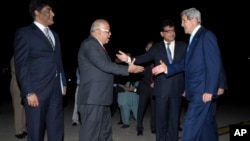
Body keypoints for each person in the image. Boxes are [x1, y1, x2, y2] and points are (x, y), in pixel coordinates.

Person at [152, 8, 223, 141]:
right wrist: (167, 68)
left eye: (184, 21)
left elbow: (214, 65)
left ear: (194, 20)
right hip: (195, 91)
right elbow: (185, 64)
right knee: (206, 127)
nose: (181, 24)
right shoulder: (193, 39)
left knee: (189, 129)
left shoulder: (206, 36)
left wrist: (210, 90)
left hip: (201, 93)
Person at [117, 19, 187, 141]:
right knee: (161, 120)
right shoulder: (157, 48)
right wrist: (128, 59)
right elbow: (143, 58)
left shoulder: (184, 46)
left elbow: (188, 67)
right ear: (162, 33)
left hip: (177, 88)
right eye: (168, 31)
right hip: (161, 90)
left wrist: (187, 87)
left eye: (173, 30)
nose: (171, 33)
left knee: (174, 120)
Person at [77, 19, 144, 141]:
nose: (110, 34)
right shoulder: (90, 44)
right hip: (92, 99)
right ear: (97, 32)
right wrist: (127, 69)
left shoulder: (99, 47)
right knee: (91, 135)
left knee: (105, 133)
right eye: (107, 31)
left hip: (101, 98)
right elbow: (104, 65)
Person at [13, 0, 67, 141]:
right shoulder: (24, 34)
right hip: (37, 91)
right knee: (36, 132)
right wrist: (28, 91)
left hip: (55, 90)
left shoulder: (55, 35)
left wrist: (63, 82)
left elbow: (58, 61)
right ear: (37, 12)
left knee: (57, 130)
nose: (53, 14)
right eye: (49, 10)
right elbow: (21, 65)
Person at [136, 41, 156, 136]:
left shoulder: (156, 58)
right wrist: (150, 83)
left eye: (152, 47)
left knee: (154, 109)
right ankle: (139, 128)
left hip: (155, 88)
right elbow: (141, 75)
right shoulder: (143, 59)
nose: (151, 48)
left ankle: (154, 127)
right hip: (145, 87)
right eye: (149, 47)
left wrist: (155, 83)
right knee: (141, 109)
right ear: (146, 49)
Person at [9, 56, 27, 139]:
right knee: (18, 108)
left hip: (23, 83)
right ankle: (18, 131)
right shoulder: (15, 57)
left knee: (24, 107)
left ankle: (22, 129)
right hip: (17, 83)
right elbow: (18, 71)